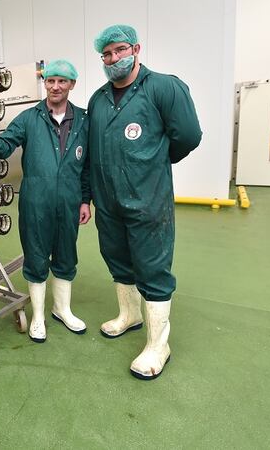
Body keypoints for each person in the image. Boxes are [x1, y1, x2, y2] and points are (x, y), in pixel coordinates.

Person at [87, 25, 202, 379]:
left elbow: (188, 136)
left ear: (136, 48)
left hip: (147, 198)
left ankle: (158, 345)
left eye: (120, 50)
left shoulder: (164, 87)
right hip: (108, 199)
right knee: (117, 257)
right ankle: (129, 314)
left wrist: (150, 163)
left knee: (152, 266)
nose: (113, 59)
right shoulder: (98, 98)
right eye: (106, 55)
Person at [0, 59, 91, 343]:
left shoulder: (84, 120)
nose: (55, 86)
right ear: (44, 83)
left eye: (61, 81)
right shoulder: (29, 118)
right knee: (36, 256)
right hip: (36, 202)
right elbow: (2, 148)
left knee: (66, 255)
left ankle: (62, 309)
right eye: (50, 81)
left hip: (69, 202)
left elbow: (88, 166)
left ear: (72, 84)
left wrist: (85, 200)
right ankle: (38, 316)